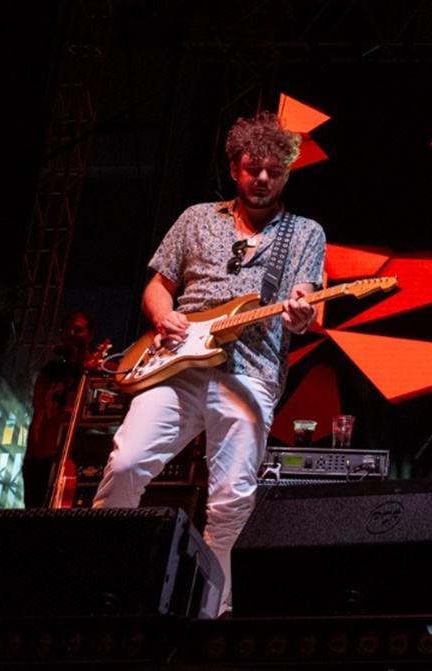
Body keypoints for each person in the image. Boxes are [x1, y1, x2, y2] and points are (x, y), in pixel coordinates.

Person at [93, 113, 325, 613]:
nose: (262, 179)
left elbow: (304, 301)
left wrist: (301, 313)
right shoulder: (196, 218)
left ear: (286, 174)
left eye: (274, 171)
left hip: (250, 371)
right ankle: (105, 588)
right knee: (126, 463)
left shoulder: (305, 232)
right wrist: (164, 316)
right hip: (176, 364)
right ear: (235, 169)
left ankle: (212, 616)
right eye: (253, 168)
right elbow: (158, 286)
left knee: (231, 499)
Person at [22, 311, 95, 508]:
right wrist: (31, 455)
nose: (71, 334)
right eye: (66, 329)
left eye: (78, 330)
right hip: (42, 456)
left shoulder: (99, 371)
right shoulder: (50, 372)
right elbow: (38, 412)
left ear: (90, 335)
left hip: (80, 455)